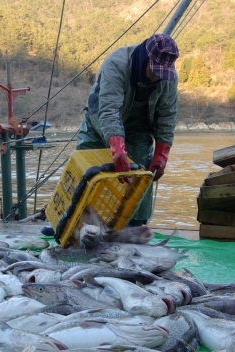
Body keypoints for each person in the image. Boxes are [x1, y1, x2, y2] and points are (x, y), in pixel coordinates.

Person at [76, 33, 179, 226]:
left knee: (139, 172)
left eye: (164, 72)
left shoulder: (169, 78)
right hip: (100, 116)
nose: (159, 76)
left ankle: (133, 225)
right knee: (85, 168)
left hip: (139, 126)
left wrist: (161, 154)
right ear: (146, 57)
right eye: (156, 70)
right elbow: (109, 110)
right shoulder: (117, 64)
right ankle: (69, 220)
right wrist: (117, 148)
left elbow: (167, 116)